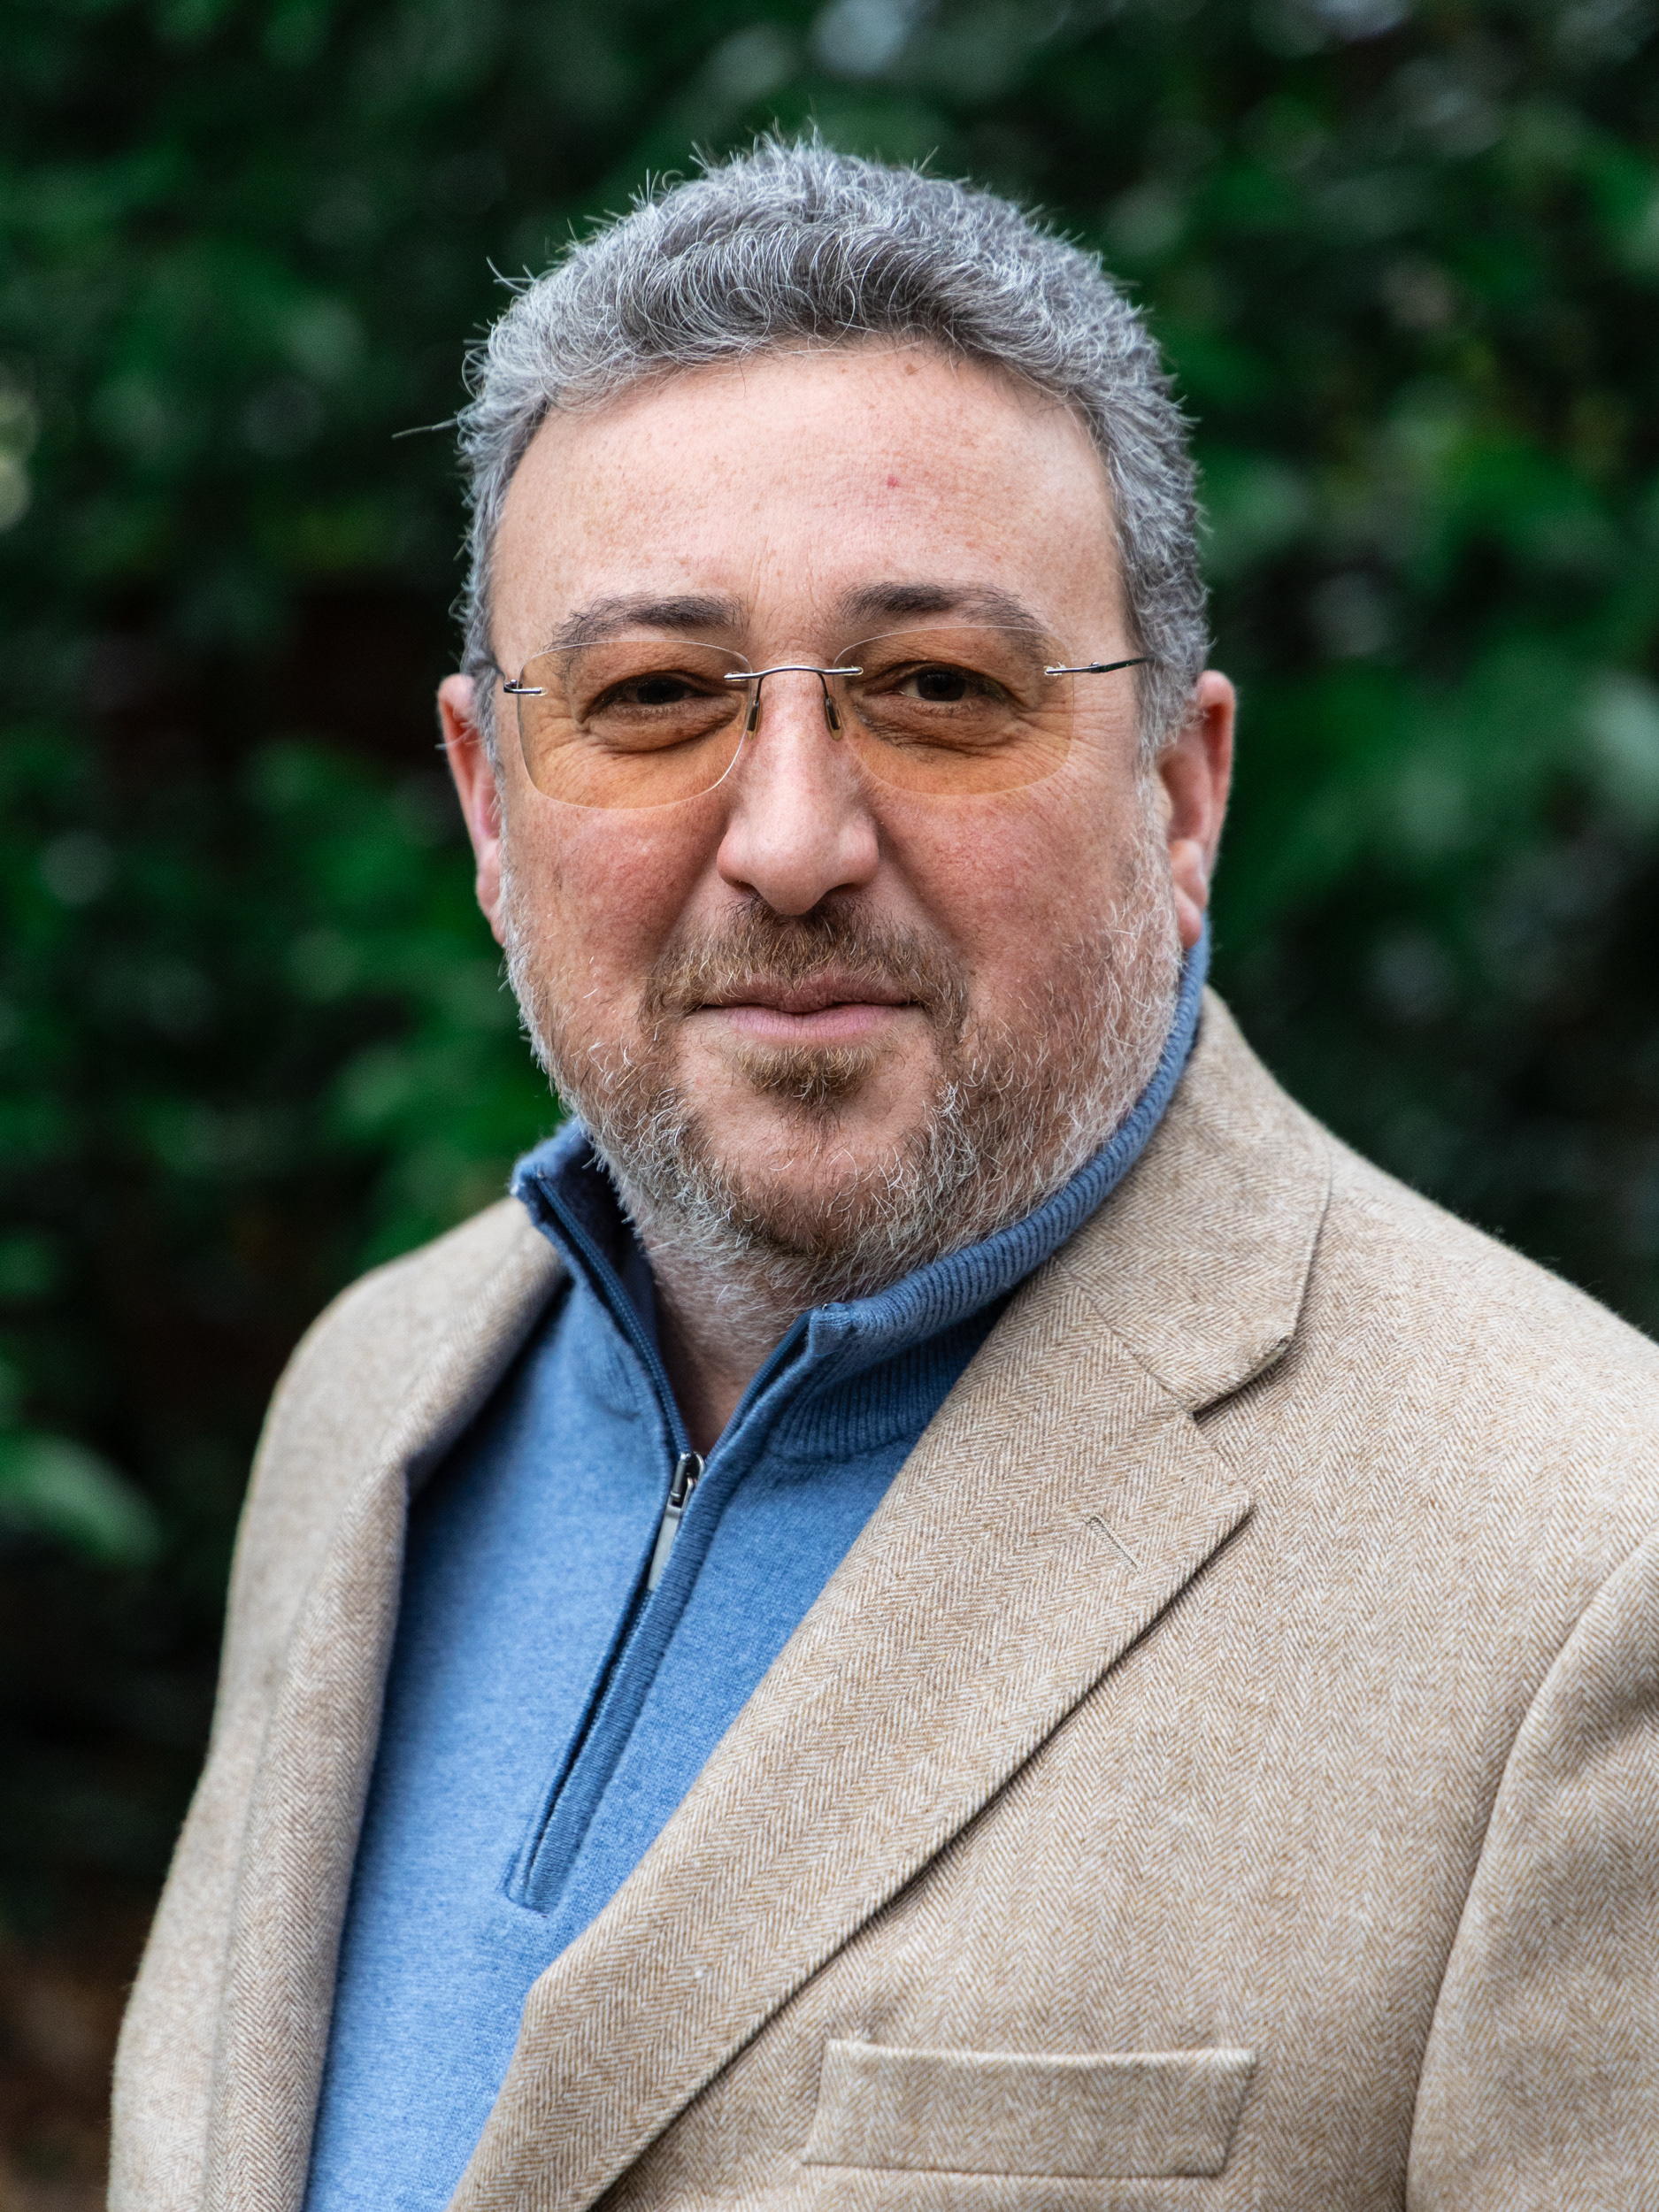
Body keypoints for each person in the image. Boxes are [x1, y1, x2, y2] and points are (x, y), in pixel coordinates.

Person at [111, 141, 1659, 2212]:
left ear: (1178, 789)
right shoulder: (366, 1404)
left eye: (936, 689)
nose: (788, 840)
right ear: (488, 799)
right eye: (652, 696)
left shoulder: (1587, 1569)